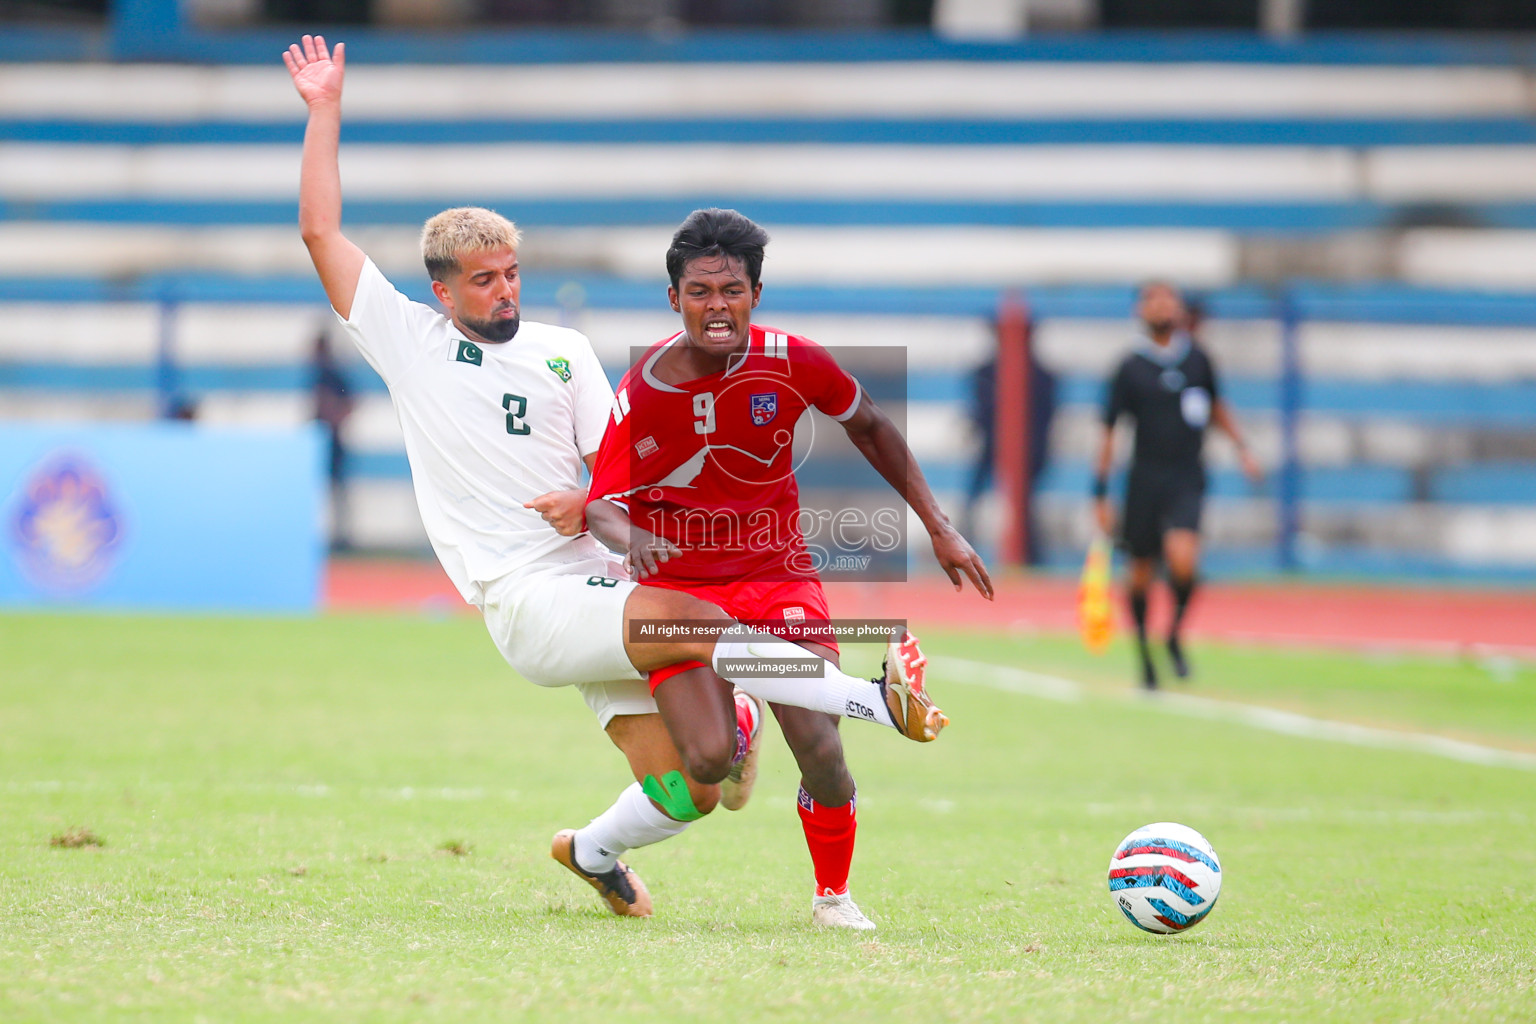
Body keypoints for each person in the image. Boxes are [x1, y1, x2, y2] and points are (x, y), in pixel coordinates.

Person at [284, 35, 949, 920]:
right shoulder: (410, 342)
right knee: (700, 619)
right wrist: (325, 108)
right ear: (443, 293)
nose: (505, 291)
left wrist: (596, 502)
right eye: (483, 281)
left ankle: (592, 851)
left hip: (609, 587)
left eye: (513, 273)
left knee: (698, 779)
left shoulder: (564, 355)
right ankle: (875, 702)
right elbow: (321, 232)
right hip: (530, 599)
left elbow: (622, 468)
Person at [584, 208, 994, 930]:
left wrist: (939, 524)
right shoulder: (643, 389)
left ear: (756, 294)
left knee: (819, 745)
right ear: (674, 298)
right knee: (708, 765)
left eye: (732, 290)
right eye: (701, 292)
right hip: (681, 598)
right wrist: (634, 535)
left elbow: (869, 424)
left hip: (776, 578)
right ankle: (749, 714)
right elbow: (601, 507)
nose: (718, 307)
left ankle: (832, 896)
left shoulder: (794, 359)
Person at [1092, 281, 1262, 690]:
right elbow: (1110, 431)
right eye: (1154, 300)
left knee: (1184, 559)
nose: (1163, 307)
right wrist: (1099, 491)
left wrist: (1242, 447)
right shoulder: (1130, 366)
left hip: (1186, 475)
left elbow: (1216, 404)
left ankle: (1172, 635)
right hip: (1144, 479)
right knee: (1139, 573)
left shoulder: (1198, 358)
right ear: (1141, 310)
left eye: (1169, 299)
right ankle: (1145, 656)